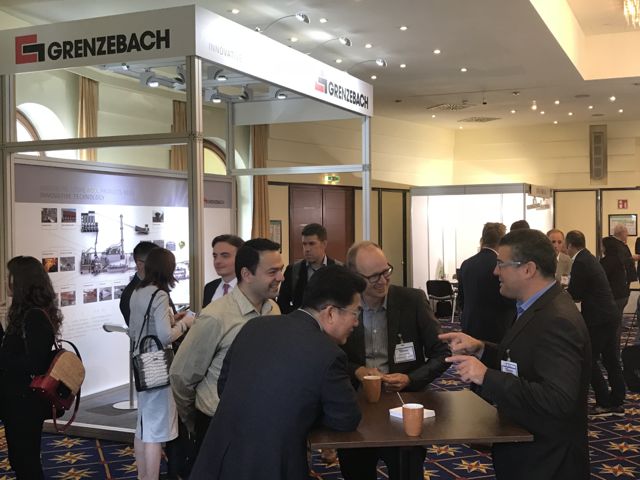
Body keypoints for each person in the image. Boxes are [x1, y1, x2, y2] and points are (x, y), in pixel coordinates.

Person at [440, 229, 591, 480]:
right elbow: (523, 359)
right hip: (528, 451)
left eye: (501, 264)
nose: (495, 271)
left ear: (528, 269)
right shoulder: (533, 307)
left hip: (547, 461)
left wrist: (487, 376)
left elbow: (557, 400)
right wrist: (481, 349)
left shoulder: (557, 320)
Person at [189, 264, 364, 479]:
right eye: (355, 312)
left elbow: (223, 385)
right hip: (272, 466)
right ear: (330, 313)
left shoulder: (255, 326)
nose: (356, 322)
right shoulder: (329, 354)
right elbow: (346, 418)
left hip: (216, 460)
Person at [338, 241, 450, 480]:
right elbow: (328, 357)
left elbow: (443, 353)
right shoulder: (340, 306)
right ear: (354, 277)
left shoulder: (412, 300)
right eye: (374, 277)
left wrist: (410, 378)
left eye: (386, 271)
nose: (383, 281)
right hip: (355, 408)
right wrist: (357, 370)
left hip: (404, 406)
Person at [170, 238, 283, 458]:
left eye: (281, 270)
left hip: (261, 423)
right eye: (272, 272)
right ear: (247, 274)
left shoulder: (273, 309)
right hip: (219, 426)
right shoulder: (215, 317)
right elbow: (181, 376)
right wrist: (194, 420)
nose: (281, 277)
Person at [128, 248, 195, 480]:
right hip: (158, 365)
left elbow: (135, 330)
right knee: (156, 431)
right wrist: (185, 323)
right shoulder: (160, 295)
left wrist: (171, 319)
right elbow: (165, 337)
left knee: (143, 426)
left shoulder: (137, 291)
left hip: (141, 362)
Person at [0, 256, 61, 479]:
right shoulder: (24, 313)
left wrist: (3, 358)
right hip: (17, 399)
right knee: (20, 459)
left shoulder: (34, 316)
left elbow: (34, 363)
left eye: (10, 277)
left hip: (25, 401)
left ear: (22, 283)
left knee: (26, 461)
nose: (6, 281)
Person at [566, 230, 625, 416]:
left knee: (589, 359)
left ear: (569, 245)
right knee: (610, 359)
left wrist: (561, 292)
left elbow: (576, 293)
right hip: (609, 314)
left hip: (598, 318)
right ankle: (617, 400)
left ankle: (603, 401)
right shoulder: (590, 258)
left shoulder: (580, 262)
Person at [458, 222, 515, 343]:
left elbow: (461, 298)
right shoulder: (501, 264)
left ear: (483, 239)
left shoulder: (466, 264)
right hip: (495, 326)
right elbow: (508, 299)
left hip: (469, 323)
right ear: (501, 241)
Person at [277, 223, 339, 314]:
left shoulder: (338, 270)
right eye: (304, 244)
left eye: (311, 244)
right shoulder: (293, 270)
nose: (307, 249)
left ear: (324, 244)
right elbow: (282, 304)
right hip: (300, 321)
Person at [601, 236, 630, 350]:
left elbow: (602, 280)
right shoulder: (618, 259)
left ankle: (613, 348)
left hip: (615, 296)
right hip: (623, 295)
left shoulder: (606, 261)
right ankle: (615, 348)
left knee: (613, 325)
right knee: (618, 322)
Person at [119, 241, 157, 325]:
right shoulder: (129, 295)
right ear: (140, 264)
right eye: (156, 263)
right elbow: (138, 329)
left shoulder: (157, 285)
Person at [202, 234, 244, 308]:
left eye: (225, 256)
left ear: (240, 258)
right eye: (215, 256)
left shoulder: (251, 289)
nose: (217, 261)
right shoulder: (210, 287)